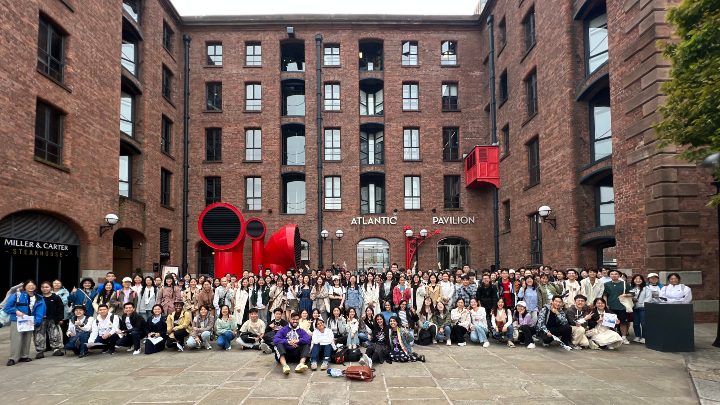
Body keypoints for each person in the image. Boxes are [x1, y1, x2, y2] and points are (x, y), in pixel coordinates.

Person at [4, 280, 46, 366]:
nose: (31, 287)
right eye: (29, 285)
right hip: (17, 320)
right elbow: (7, 307)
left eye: (33, 285)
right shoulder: (17, 295)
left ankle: (24, 356)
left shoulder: (39, 298)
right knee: (16, 339)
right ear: (25, 287)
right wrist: (16, 311)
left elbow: (41, 311)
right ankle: (13, 358)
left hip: (30, 321)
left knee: (27, 339)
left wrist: (37, 321)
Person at [32, 281, 65, 358]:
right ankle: (40, 351)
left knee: (55, 334)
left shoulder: (56, 297)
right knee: (39, 334)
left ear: (51, 288)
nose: (44, 289)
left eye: (47, 287)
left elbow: (60, 308)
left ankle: (56, 349)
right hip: (40, 319)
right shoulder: (38, 298)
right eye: (43, 287)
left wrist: (60, 318)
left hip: (53, 319)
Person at [603, 269, 632, 345]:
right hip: (611, 306)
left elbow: (632, 293)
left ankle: (624, 337)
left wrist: (626, 295)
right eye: (612, 274)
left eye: (616, 274)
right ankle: (611, 338)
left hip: (622, 306)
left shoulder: (624, 284)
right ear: (609, 276)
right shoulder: (606, 284)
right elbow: (605, 295)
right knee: (610, 323)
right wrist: (605, 305)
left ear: (619, 275)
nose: (614, 275)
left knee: (623, 322)